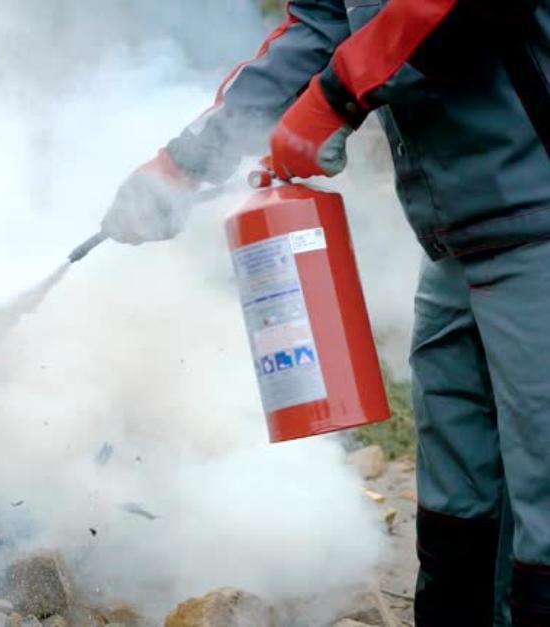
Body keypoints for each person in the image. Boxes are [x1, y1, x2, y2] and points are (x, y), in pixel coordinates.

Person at [101, 1, 550, 625]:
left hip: (537, 219)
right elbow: (320, 24)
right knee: (459, 498)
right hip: (455, 239)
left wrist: (335, 100)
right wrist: (187, 161)